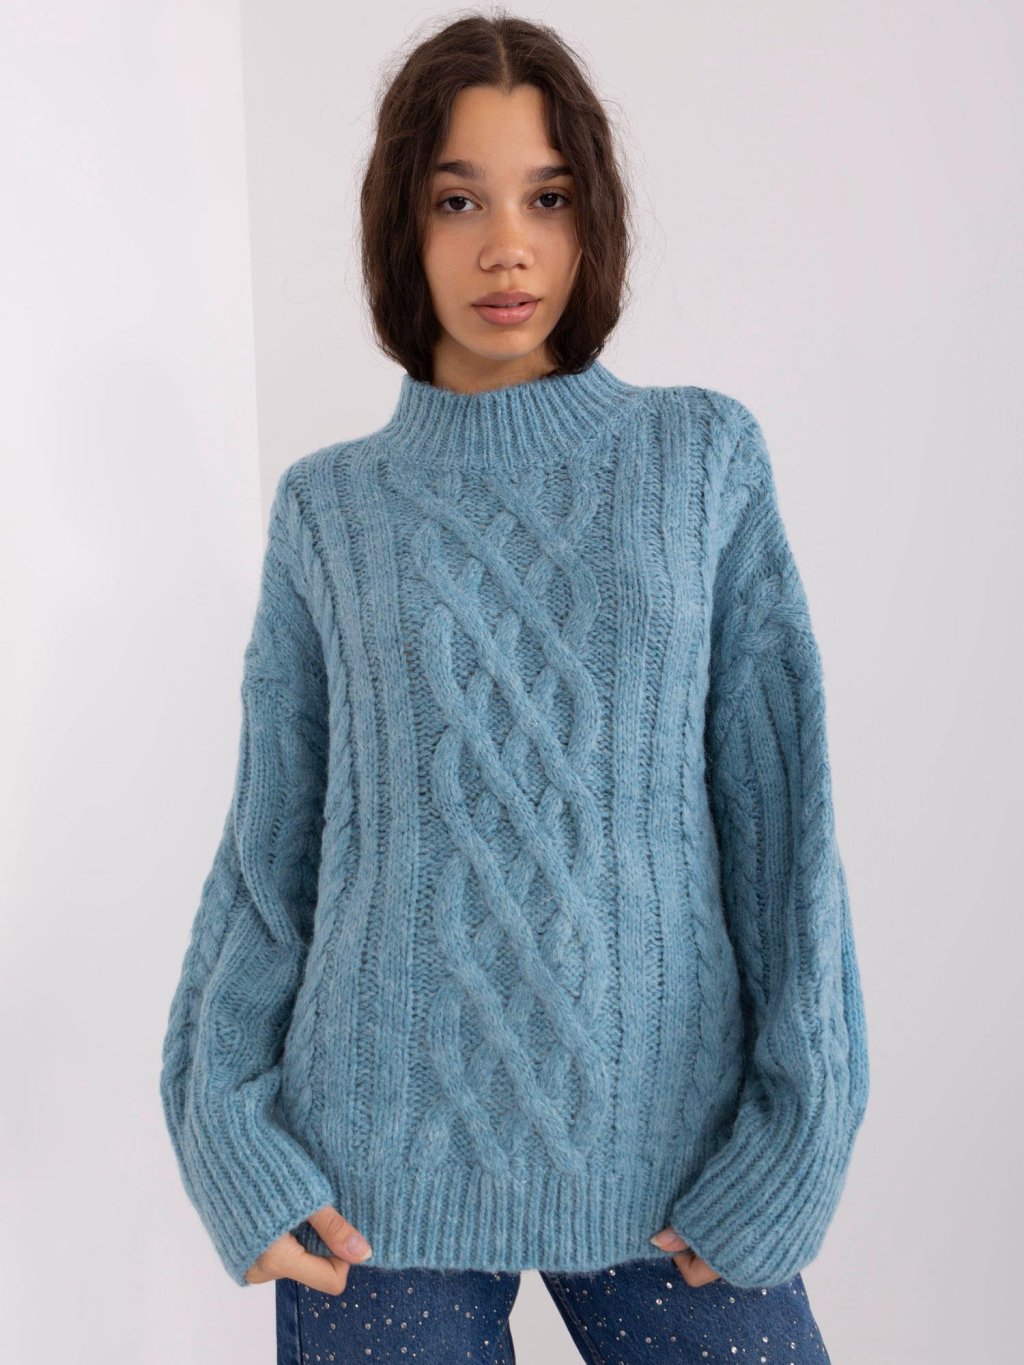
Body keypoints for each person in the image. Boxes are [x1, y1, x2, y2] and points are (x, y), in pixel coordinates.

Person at [159, 12, 869, 1363]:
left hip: (681, 1165)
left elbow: (787, 830)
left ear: (592, 218)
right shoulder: (329, 510)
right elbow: (269, 858)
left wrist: (799, 1134)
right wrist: (225, 1134)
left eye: (547, 197)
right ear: (402, 225)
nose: (507, 247)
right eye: (458, 200)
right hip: (372, 1179)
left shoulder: (701, 459)